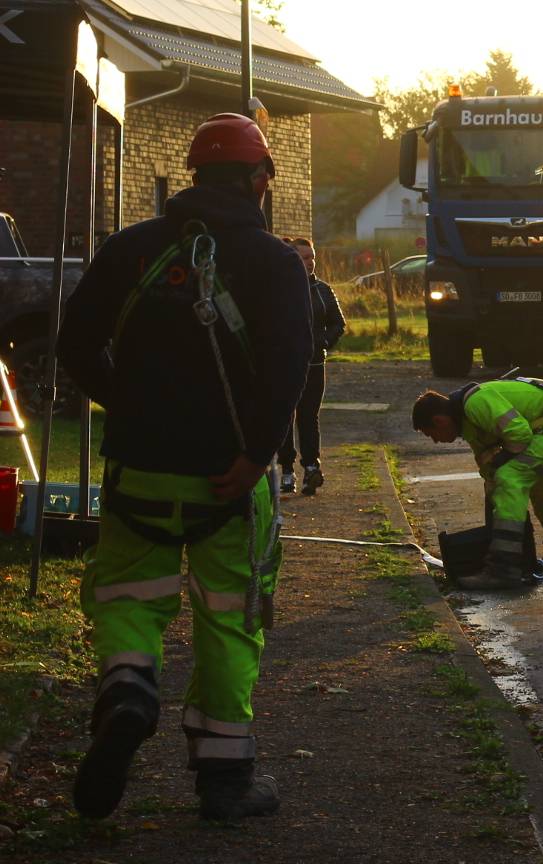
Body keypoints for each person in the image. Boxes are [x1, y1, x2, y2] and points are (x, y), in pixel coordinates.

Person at [56, 113, 311, 821]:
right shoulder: (274, 261)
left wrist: (126, 404)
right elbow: (289, 368)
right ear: (260, 179)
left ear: (194, 176)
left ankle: (131, 688)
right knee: (230, 617)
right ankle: (225, 780)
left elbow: (74, 343)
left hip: (138, 468)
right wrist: (257, 451)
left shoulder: (130, 249)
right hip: (227, 478)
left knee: (130, 598)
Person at [412, 376, 543, 588]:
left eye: (431, 434)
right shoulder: (468, 422)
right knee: (536, 487)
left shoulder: (475, 404)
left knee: (510, 477)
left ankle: (503, 568)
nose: (435, 440)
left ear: (439, 421)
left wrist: (500, 466)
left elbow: (519, 434)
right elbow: (488, 467)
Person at [276, 236, 345, 496]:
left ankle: (312, 468)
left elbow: (338, 322)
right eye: (303, 258)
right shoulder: (278, 290)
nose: (309, 263)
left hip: (315, 363)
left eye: (312, 257)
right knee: (285, 416)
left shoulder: (323, 290)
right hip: (284, 365)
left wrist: (324, 341)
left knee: (309, 416)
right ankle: (286, 469)